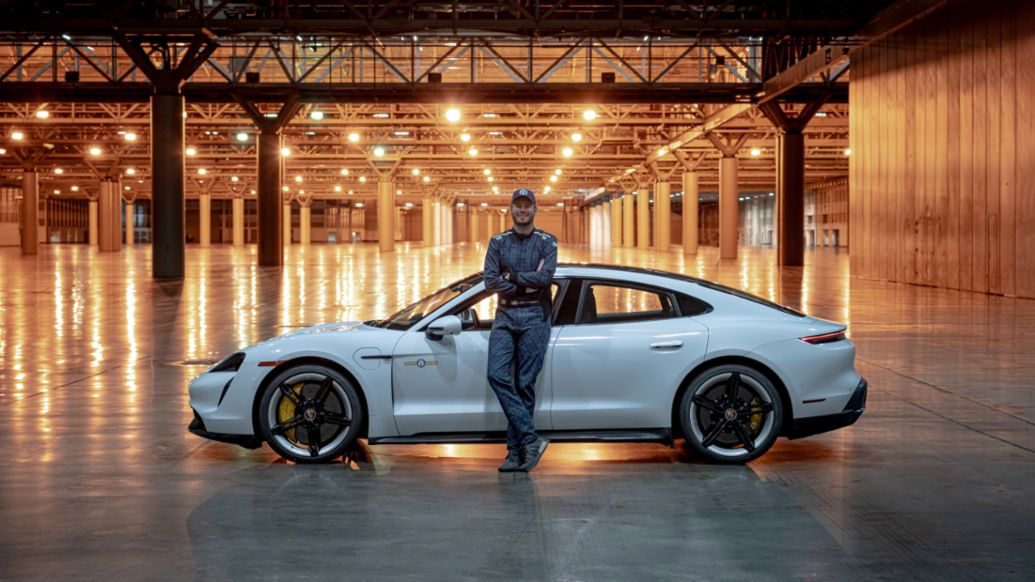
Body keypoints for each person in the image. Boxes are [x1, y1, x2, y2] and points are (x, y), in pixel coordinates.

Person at [483, 188, 558, 472]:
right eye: (518, 206)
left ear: (535, 209)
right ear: (511, 209)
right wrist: (526, 281)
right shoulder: (498, 242)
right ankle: (530, 439)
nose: (523, 211)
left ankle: (516, 454)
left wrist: (510, 276)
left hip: (535, 315)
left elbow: (545, 278)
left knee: (524, 384)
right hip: (504, 314)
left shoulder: (547, 241)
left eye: (527, 206)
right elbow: (490, 282)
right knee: (497, 375)